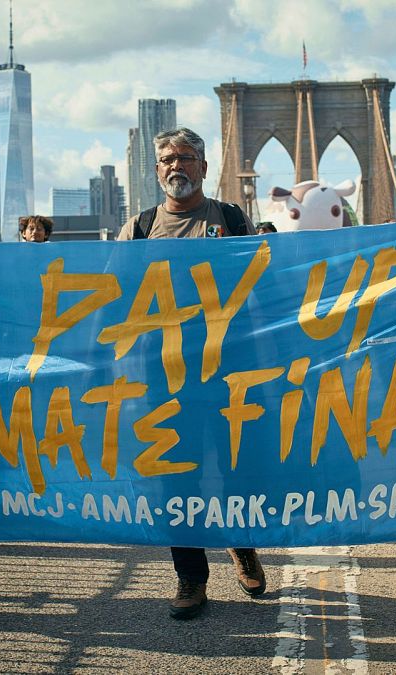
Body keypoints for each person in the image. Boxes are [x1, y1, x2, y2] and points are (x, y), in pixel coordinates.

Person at [116, 127, 266, 620]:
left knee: (238, 468)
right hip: (164, 377)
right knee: (176, 479)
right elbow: (112, 294)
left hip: (229, 371)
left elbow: (263, 285)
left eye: (185, 158)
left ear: (204, 167)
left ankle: (241, 544)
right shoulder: (137, 229)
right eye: (165, 159)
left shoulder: (230, 219)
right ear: (155, 169)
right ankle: (191, 576)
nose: (175, 166)